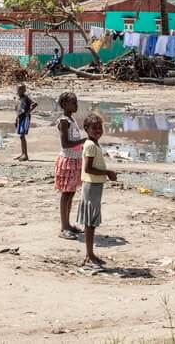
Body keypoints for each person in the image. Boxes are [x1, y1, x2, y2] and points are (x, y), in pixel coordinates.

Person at [79, 114, 117, 267]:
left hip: (94, 186)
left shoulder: (93, 144)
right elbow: (88, 168)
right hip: (91, 186)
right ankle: (89, 254)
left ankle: (90, 254)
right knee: (90, 222)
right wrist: (107, 173)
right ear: (86, 129)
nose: (97, 131)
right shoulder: (90, 145)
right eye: (94, 128)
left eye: (99, 128)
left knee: (91, 222)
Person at [54, 91, 86, 239]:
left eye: (76, 102)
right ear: (65, 104)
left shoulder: (71, 118)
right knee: (66, 194)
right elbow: (65, 144)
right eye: (73, 102)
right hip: (67, 160)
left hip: (75, 160)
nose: (76, 104)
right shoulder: (63, 121)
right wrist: (84, 141)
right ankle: (64, 227)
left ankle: (68, 224)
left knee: (71, 192)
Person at [14, 84, 37, 161]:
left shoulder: (26, 97)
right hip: (20, 118)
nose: (19, 91)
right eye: (18, 89)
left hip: (25, 118)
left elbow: (35, 104)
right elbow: (17, 111)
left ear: (24, 90)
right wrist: (16, 119)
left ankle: (25, 154)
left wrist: (28, 112)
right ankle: (22, 153)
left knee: (22, 135)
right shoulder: (18, 99)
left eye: (21, 89)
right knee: (21, 136)